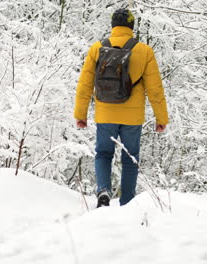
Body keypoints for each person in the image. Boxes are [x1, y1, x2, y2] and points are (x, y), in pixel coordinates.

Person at [74, 8, 169, 207]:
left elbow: (85, 85)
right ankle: (127, 203)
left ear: (112, 26)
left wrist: (81, 114)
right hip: (132, 118)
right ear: (131, 27)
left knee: (103, 154)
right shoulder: (144, 51)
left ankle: (103, 191)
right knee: (130, 158)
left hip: (105, 113)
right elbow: (155, 90)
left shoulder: (97, 48)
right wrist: (161, 119)